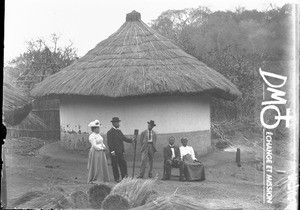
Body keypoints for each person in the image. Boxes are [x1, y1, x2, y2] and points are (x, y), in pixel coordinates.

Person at [107, 117, 136, 182]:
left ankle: (125, 177)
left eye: (118, 122)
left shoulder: (119, 131)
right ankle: (117, 178)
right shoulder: (110, 132)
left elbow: (124, 138)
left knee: (123, 164)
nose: (118, 124)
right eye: (117, 123)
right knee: (115, 165)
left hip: (120, 151)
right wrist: (112, 151)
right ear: (113, 123)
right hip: (114, 152)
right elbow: (110, 143)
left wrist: (131, 140)